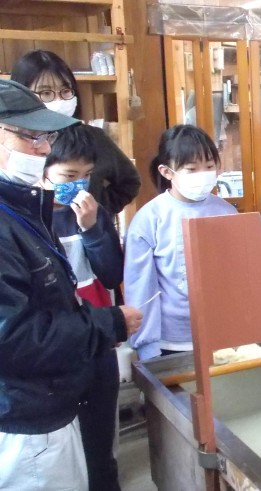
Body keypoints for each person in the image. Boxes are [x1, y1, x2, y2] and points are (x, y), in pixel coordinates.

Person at [0, 79, 142, 490]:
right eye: (30, 137)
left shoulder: (27, 209)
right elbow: (15, 336)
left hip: (61, 380)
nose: (42, 148)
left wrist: (93, 229)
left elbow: (108, 272)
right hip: (28, 412)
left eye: (45, 138)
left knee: (98, 452)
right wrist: (108, 323)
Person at [41, 124, 124, 490]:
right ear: (44, 169)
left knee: (100, 440)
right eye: (69, 176)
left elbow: (112, 274)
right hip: (58, 343)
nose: (78, 184)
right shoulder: (31, 216)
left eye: (86, 175)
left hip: (98, 339)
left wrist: (91, 229)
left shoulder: (95, 212)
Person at [124, 125, 237, 360]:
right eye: (191, 169)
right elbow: (141, 288)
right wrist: (146, 345)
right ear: (167, 172)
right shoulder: (149, 219)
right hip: (171, 339)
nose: (203, 174)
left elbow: (239, 276)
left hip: (223, 333)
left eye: (209, 167)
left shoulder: (227, 212)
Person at [11, 49, 141, 216]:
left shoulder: (92, 138)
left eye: (65, 91)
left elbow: (128, 182)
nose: (59, 100)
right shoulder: (11, 144)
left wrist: (100, 212)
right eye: (46, 93)